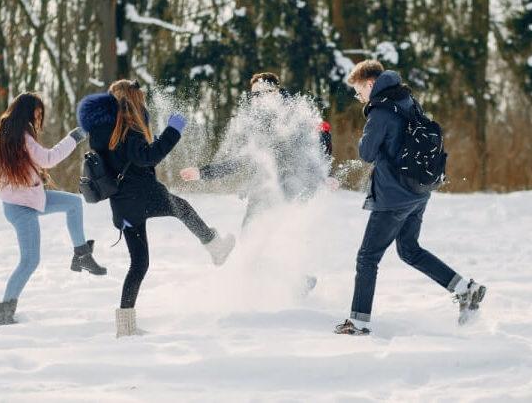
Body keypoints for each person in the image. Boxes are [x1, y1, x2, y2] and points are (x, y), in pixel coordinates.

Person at [334, 60, 486, 336]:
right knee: (409, 250)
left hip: (393, 196)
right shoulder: (407, 101)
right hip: (418, 192)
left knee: (367, 258)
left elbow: (366, 153)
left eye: (358, 92)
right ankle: (465, 289)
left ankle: (358, 322)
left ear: (370, 84)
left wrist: (369, 127)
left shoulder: (380, 112)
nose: (359, 98)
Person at [77, 80, 235, 337]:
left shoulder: (101, 132)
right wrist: (173, 131)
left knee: (138, 263)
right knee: (183, 208)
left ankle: (125, 327)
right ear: (133, 99)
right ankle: (215, 246)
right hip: (145, 194)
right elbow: (148, 157)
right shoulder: (129, 127)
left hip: (123, 207)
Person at [0, 92, 106, 327]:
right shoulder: (20, 137)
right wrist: (75, 136)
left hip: (30, 199)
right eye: (37, 112)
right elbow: (48, 158)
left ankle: (82, 255)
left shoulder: (5, 135)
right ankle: (4, 313)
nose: (39, 116)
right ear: (27, 111)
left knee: (73, 204)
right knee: (29, 261)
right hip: (21, 208)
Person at [180, 72, 334, 230]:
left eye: (262, 93)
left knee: (284, 236)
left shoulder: (295, 115)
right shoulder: (255, 122)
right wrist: (202, 172)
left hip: (292, 187)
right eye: (254, 94)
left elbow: (316, 145)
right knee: (249, 233)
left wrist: (325, 176)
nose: (258, 98)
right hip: (262, 188)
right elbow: (243, 160)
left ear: (275, 91)